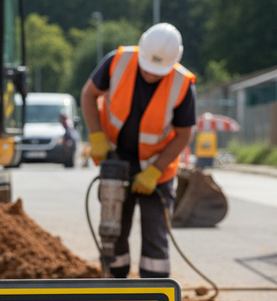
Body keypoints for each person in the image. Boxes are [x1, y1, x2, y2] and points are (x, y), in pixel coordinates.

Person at [80, 22, 197, 278]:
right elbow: (89, 95)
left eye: (159, 71)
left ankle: (154, 296)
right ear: (141, 50)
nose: (151, 75)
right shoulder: (118, 61)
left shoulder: (182, 83)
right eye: (148, 68)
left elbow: (184, 134)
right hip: (115, 160)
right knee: (113, 232)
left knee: (155, 236)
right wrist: (97, 135)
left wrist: (154, 171)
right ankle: (114, 287)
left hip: (157, 170)